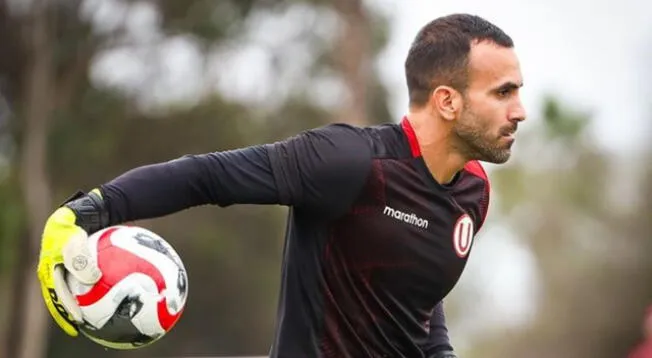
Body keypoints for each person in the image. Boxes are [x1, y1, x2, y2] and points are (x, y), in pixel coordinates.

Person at [37, 13, 526, 358]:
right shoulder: (349, 162)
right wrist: (88, 212)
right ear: (446, 101)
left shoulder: (474, 192)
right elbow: (206, 176)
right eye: (503, 92)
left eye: (518, 92)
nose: (519, 110)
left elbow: (419, 291)